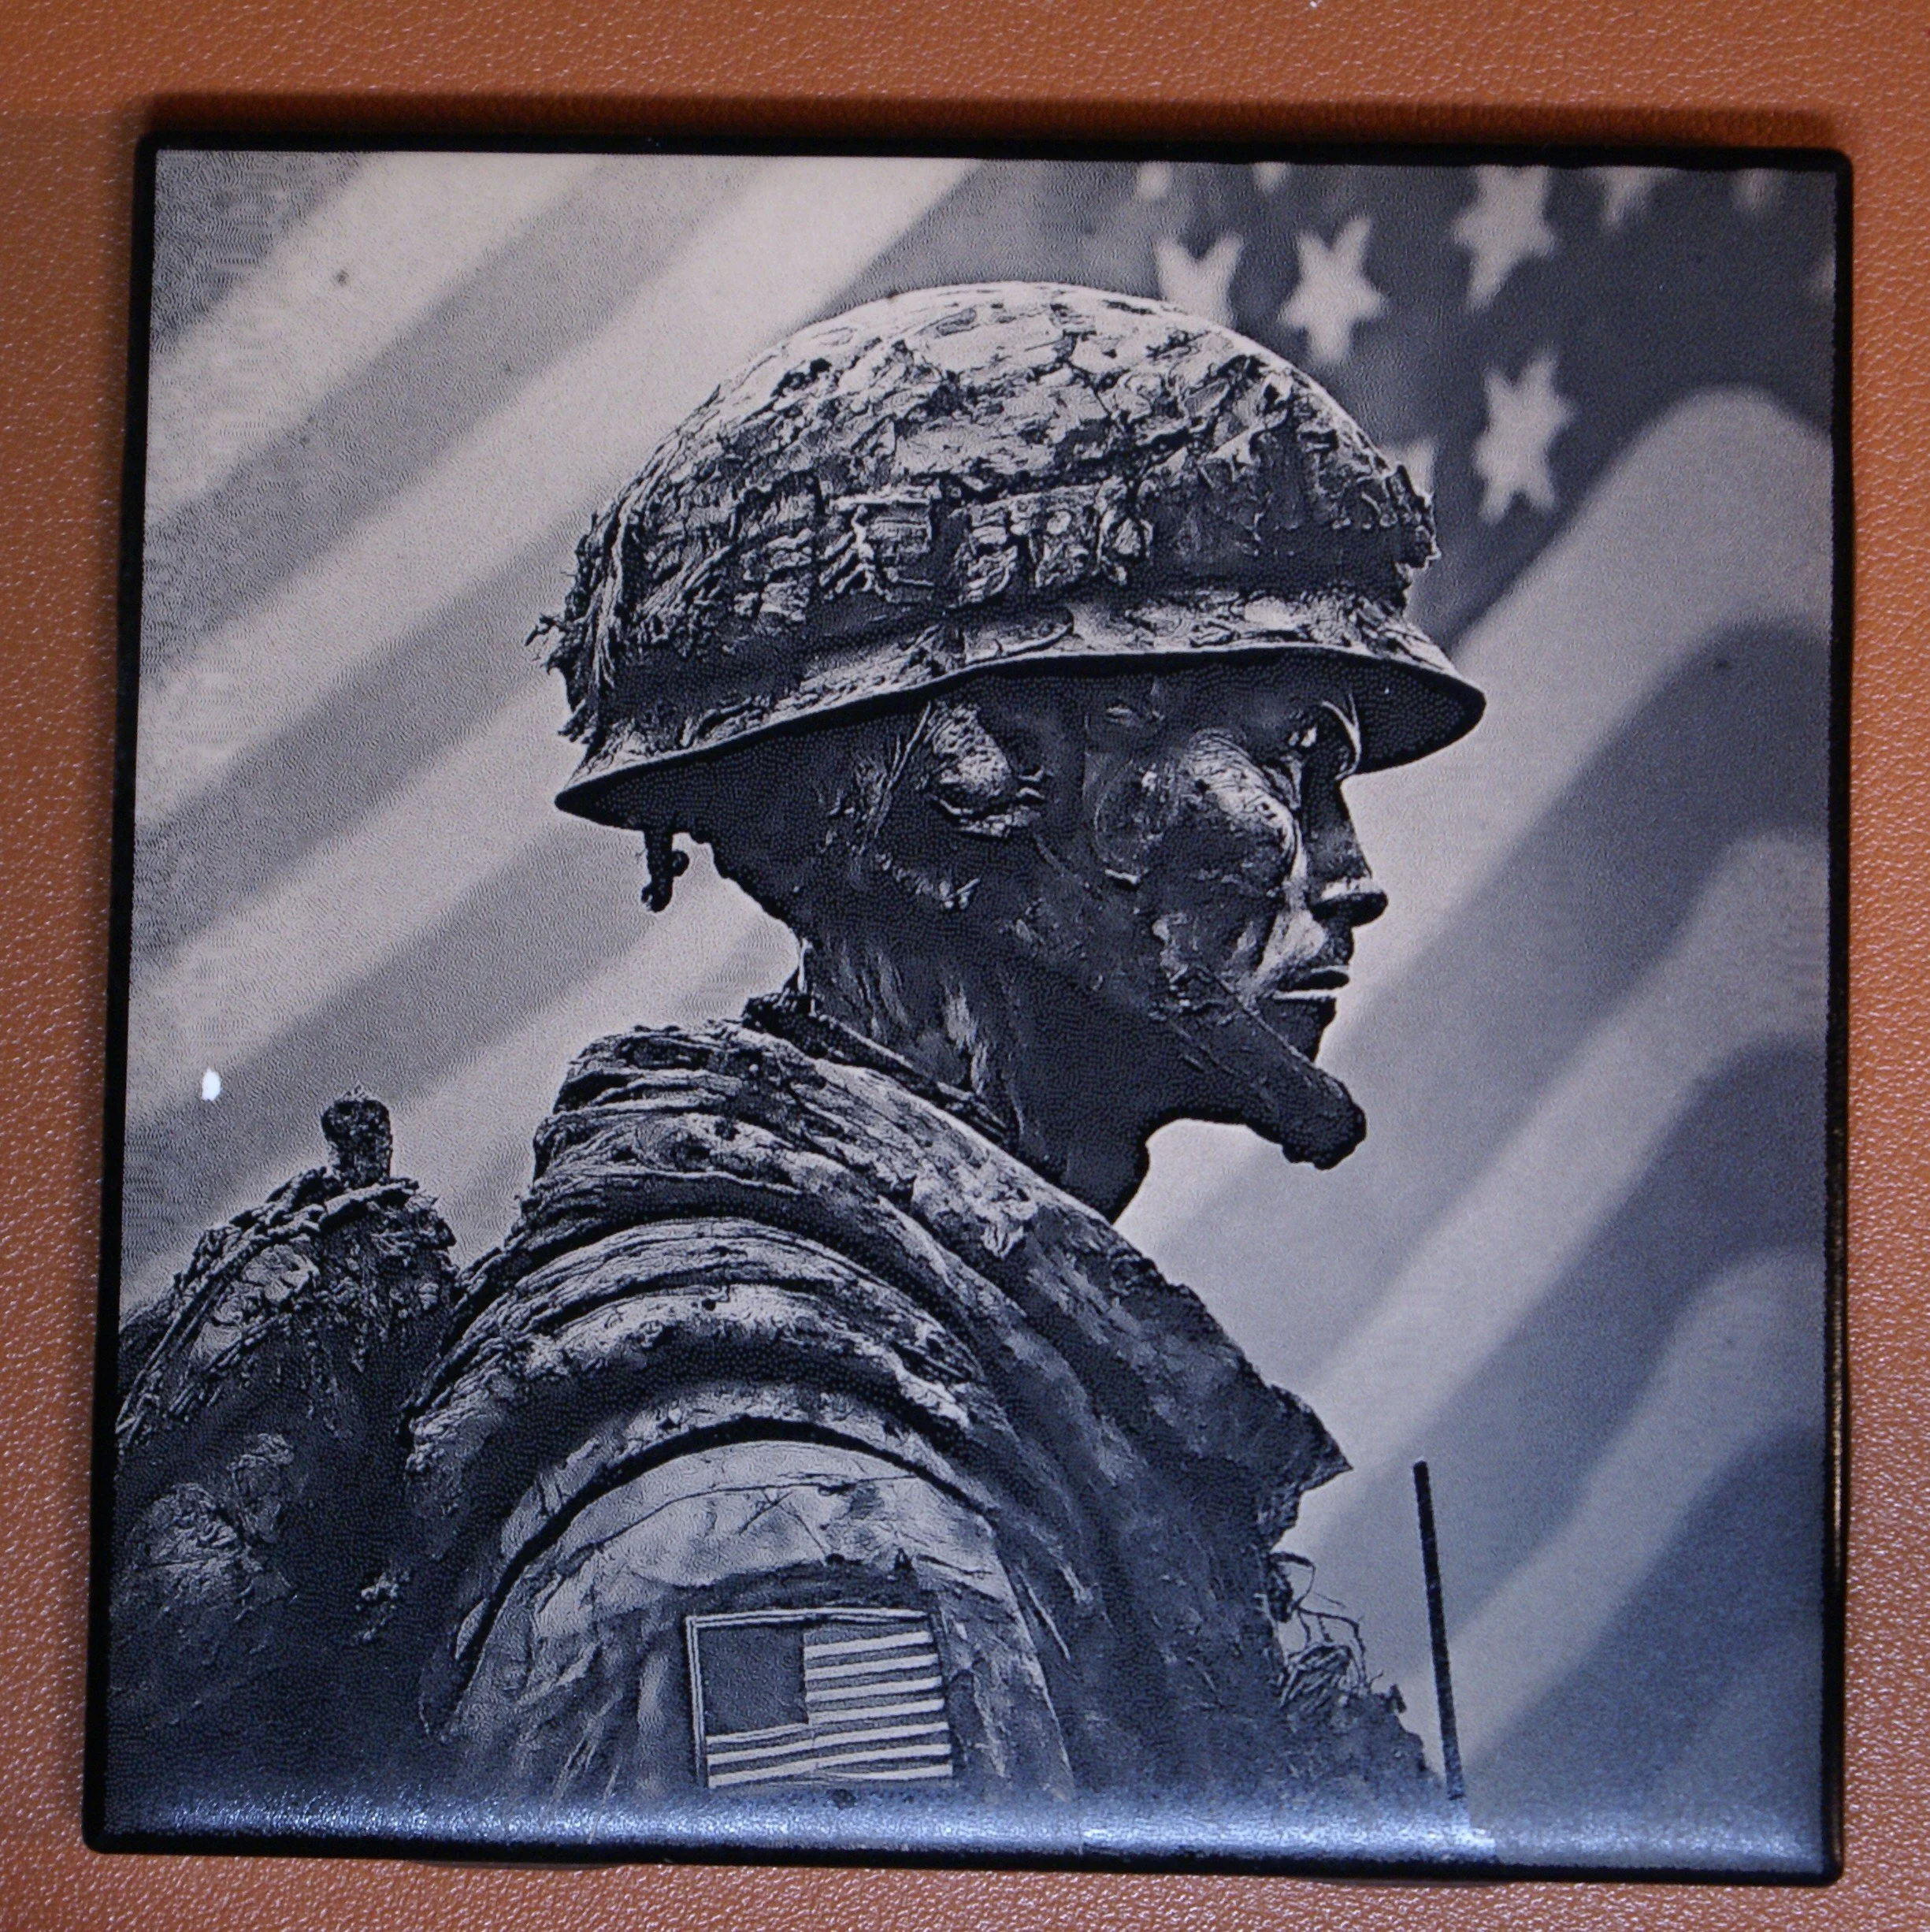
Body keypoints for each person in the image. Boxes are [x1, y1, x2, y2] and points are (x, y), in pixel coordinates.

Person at [111, 282, 1483, 1845]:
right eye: (1293, 755)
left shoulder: (922, 1382)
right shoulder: (794, 1540)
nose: (1347, 864)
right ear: (981, 771)